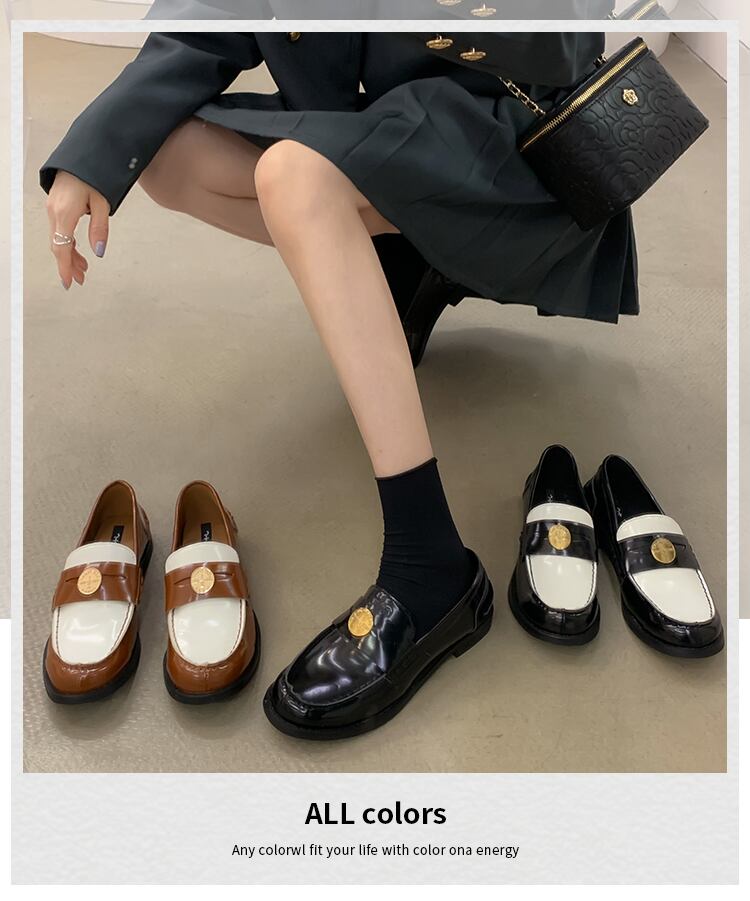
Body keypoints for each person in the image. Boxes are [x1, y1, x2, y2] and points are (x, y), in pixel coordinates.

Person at [41, 31, 637, 738]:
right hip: (374, 132)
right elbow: (203, 22)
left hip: (507, 145)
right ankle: (400, 263)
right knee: (168, 156)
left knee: (294, 175)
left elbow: (562, 41)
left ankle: (430, 565)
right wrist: (93, 150)